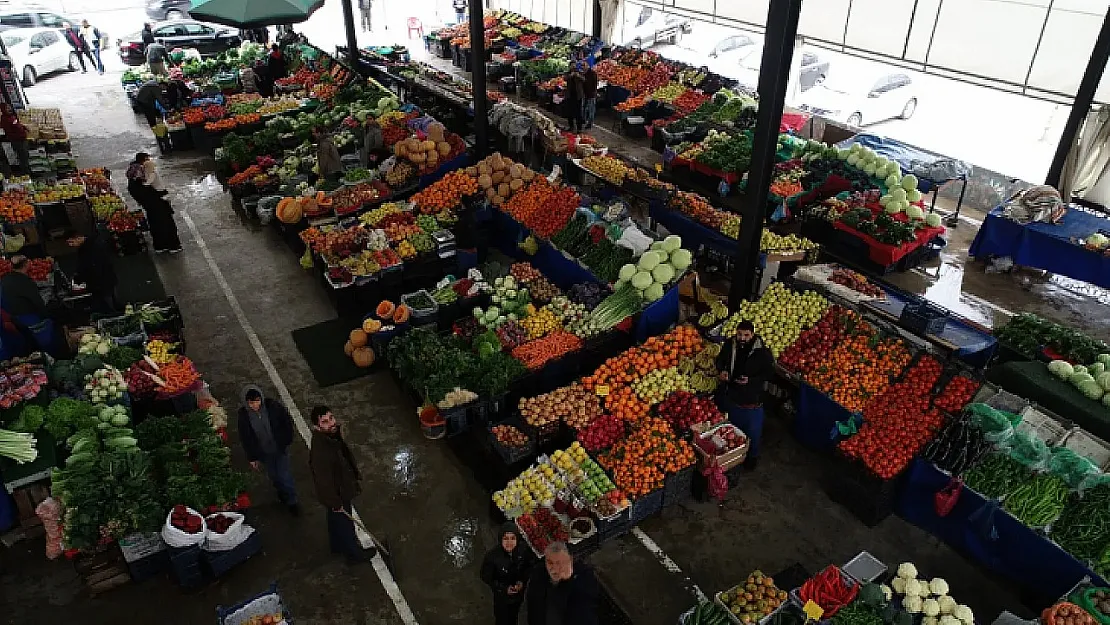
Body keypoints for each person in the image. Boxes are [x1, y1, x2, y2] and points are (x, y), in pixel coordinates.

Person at [308, 406, 377, 563]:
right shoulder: (321, 451)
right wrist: (334, 502)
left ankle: (337, 545)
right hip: (337, 493)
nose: (331, 423)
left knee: (334, 518)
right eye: (325, 422)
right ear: (317, 427)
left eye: (331, 418)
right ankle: (354, 554)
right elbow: (323, 481)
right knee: (345, 523)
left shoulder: (330, 437)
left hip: (339, 489)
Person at [714, 319, 773, 465]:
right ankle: (733, 458)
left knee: (752, 433)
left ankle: (751, 459)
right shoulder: (730, 344)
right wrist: (722, 371)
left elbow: (769, 374)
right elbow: (720, 360)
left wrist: (751, 381)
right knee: (732, 432)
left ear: (752, 334)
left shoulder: (762, 352)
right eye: (739, 334)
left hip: (752, 399)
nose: (742, 338)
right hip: (732, 395)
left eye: (746, 335)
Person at [237, 384, 299, 515]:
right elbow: (245, 438)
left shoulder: (273, 407)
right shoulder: (244, 417)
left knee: (284, 475)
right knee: (274, 475)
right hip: (264, 453)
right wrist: (252, 457)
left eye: (257, 401)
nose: (255, 405)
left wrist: (286, 439)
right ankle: (281, 492)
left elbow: (286, 422)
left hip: (279, 449)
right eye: (251, 403)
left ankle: (292, 501)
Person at [525, 542, 599, 625]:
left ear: (570, 560)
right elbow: (533, 607)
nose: (554, 569)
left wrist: (567, 579)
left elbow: (581, 610)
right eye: (550, 563)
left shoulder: (584, 577)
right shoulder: (539, 575)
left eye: (559, 563)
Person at [481, 523, 533, 625]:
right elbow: (486, 576)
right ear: (500, 539)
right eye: (506, 539)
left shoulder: (523, 551)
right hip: (502, 598)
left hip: (518, 596)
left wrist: (522, 581)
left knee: (514, 616)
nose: (509, 542)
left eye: (512, 538)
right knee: (502, 619)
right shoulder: (492, 557)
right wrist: (504, 589)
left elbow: (529, 567)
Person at [66, 230, 117, 313]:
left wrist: (80, 277)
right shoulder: (85, 248)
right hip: (101, 283)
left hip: (102, 283)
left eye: (71, 242)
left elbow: (91, 266)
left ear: (78, 238)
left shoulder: (93, 246)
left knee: (109, 307)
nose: (71, 245)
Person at [140, 154, 183, 253]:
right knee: (167, 223)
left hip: (157, 199)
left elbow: (148, 183)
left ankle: (161, 246)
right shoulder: (151, 174)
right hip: (160, 198)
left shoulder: (150, 175)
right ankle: (173, 246)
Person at [1, 104, 30, 175]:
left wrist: (24, 127)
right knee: (23, 158)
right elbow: (9, 133)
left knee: (26, 157)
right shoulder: (5, 120)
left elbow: (17, 124)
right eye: (7, 108)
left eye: (9, 107)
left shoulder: (12, 116)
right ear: (3, 110)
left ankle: (28, 172)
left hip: (22, 140)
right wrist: (19, 137)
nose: (9, 109)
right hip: (18, 142)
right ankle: (25, 174)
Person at [563, 63, 585, 133]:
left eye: (574, 65)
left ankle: (579, 128)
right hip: (569, 95)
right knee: (570, 112)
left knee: (578, 112)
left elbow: (584, 80)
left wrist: (578, 76)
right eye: (571, 65)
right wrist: (571, 75)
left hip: (578, 96)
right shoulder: (567, 73)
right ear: (569, 66)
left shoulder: (580, 72)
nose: (573, 66)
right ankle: (571, 127)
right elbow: (565, 78)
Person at [582, 63, 598, 129]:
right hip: (585, 94)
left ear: (588, 66)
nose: (583, 67)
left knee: (591, 110)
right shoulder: (583, 74)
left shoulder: (592, 73)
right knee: (584, 108)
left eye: (584, 65)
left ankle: (590, 124)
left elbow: (594, 84)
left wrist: (594, 92)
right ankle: (584, 120)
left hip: (591, 95)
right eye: (582, 66)